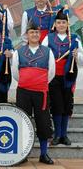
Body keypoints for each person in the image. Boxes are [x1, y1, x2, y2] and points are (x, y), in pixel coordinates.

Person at [12, 20, 55, 164]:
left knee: (43, 122)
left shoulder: (48, 52)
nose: (35, 34)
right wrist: (27, 82)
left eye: (37, 32)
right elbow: (15, 73)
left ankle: (44, 154)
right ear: (27, 34)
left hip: (41, 92)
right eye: (32, 32)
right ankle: (23, 155)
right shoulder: (19, 52)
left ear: (40, 34)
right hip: (23, 92)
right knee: (23, 121)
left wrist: (38, 83)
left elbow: (52, 73)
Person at [42, 8, 83, 146]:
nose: (61, 25)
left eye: (63, 22)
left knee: (66, 105)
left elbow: (82, 60)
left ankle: (64, 135)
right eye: (58, 22)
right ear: (55, 24)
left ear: (67, 24)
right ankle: (57, 134)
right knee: (56, 105)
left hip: (69, 76)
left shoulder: (75, 39)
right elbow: (43, 55)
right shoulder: (49, 37)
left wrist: (78, 55)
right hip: (53, 77)